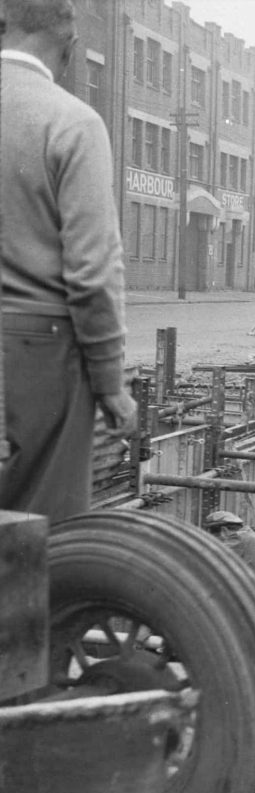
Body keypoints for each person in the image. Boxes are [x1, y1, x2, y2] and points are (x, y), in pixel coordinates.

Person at [0, 0, 136, 523]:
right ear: (71, 50)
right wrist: (110, 386)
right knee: (40, 542)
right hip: (40, 357)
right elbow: (94, 273)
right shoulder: (73, 123)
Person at [204, 510, 255, 591]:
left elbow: (212, 559)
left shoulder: (238, 539)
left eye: (215, 538)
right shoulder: (249, 535)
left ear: (224, 531)